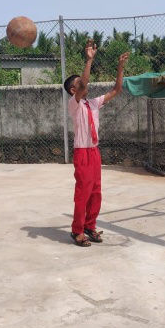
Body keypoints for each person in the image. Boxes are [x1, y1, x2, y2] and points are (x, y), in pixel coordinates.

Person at [63, 39, 129, 247]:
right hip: (82, 152)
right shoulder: (74, 105)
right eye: (78, 84)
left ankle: (90, 226)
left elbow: (117, 90)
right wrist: (89, 60)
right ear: (73, 90)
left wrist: (120, 67)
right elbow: (84, 83)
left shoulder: (92, 104)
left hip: (94, 151)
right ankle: (77, 230)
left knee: (96, 191)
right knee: (82, 192)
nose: (84, 85)